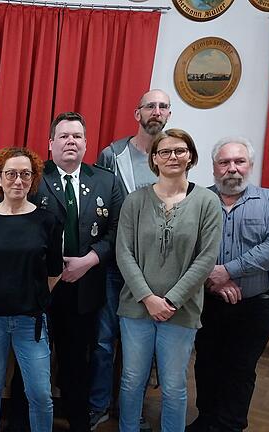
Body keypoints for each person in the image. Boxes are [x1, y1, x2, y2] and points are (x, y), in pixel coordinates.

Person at [116, 128, 222, 432]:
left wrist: (171, 300)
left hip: (181, 311)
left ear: (190, 156)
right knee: (132, 380)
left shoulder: (206, 202)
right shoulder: (135, 201)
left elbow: (205, 258)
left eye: (179, 150)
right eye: (165, 151)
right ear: (154, 159)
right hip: (136, 308)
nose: (172, 157)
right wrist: (148, 298)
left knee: (174, 386)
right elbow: (124, 253)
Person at [187, 137, 269, 432]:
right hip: (207, 302)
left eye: (239, 161)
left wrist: (229, 271)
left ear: (250, 166)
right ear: (214, 167)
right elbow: (186, 247)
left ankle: (230, 425)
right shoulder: (198, 200)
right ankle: (206, 420)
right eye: (224, 162)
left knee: (240, 370)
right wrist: (213, 280)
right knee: (206, 364)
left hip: (254, 305)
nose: (232, 168)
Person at [31, 112, 123, 431]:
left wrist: (88, 261)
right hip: (40, 286)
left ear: (86, 143)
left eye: (77, 136)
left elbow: (117, 232)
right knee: (34, 360)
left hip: (85, 285)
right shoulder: (33, 176)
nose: (71, 141)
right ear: (51, 143)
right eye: (64, 136)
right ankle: (24, 421)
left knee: (76, 362)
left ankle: (78, 421)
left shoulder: (106, 181)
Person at [90, 89, 172, 430]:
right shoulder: (114, 154)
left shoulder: (173, 153)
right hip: (114, 266)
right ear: (137, 114)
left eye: (163, 106)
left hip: (157, 270)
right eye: (150, 106)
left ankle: (132, 411)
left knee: (141, 348)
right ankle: (98, 406)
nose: (156, 111)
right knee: (104, 341)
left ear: (169, 115)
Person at [0, 147, 61, 432]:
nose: (18, 181)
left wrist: (32, 296)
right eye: (11, 174)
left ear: (33, 179)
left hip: (29, 320)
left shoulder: (47, 221)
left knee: (40, 393)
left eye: (25, 174)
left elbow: (55, 271)